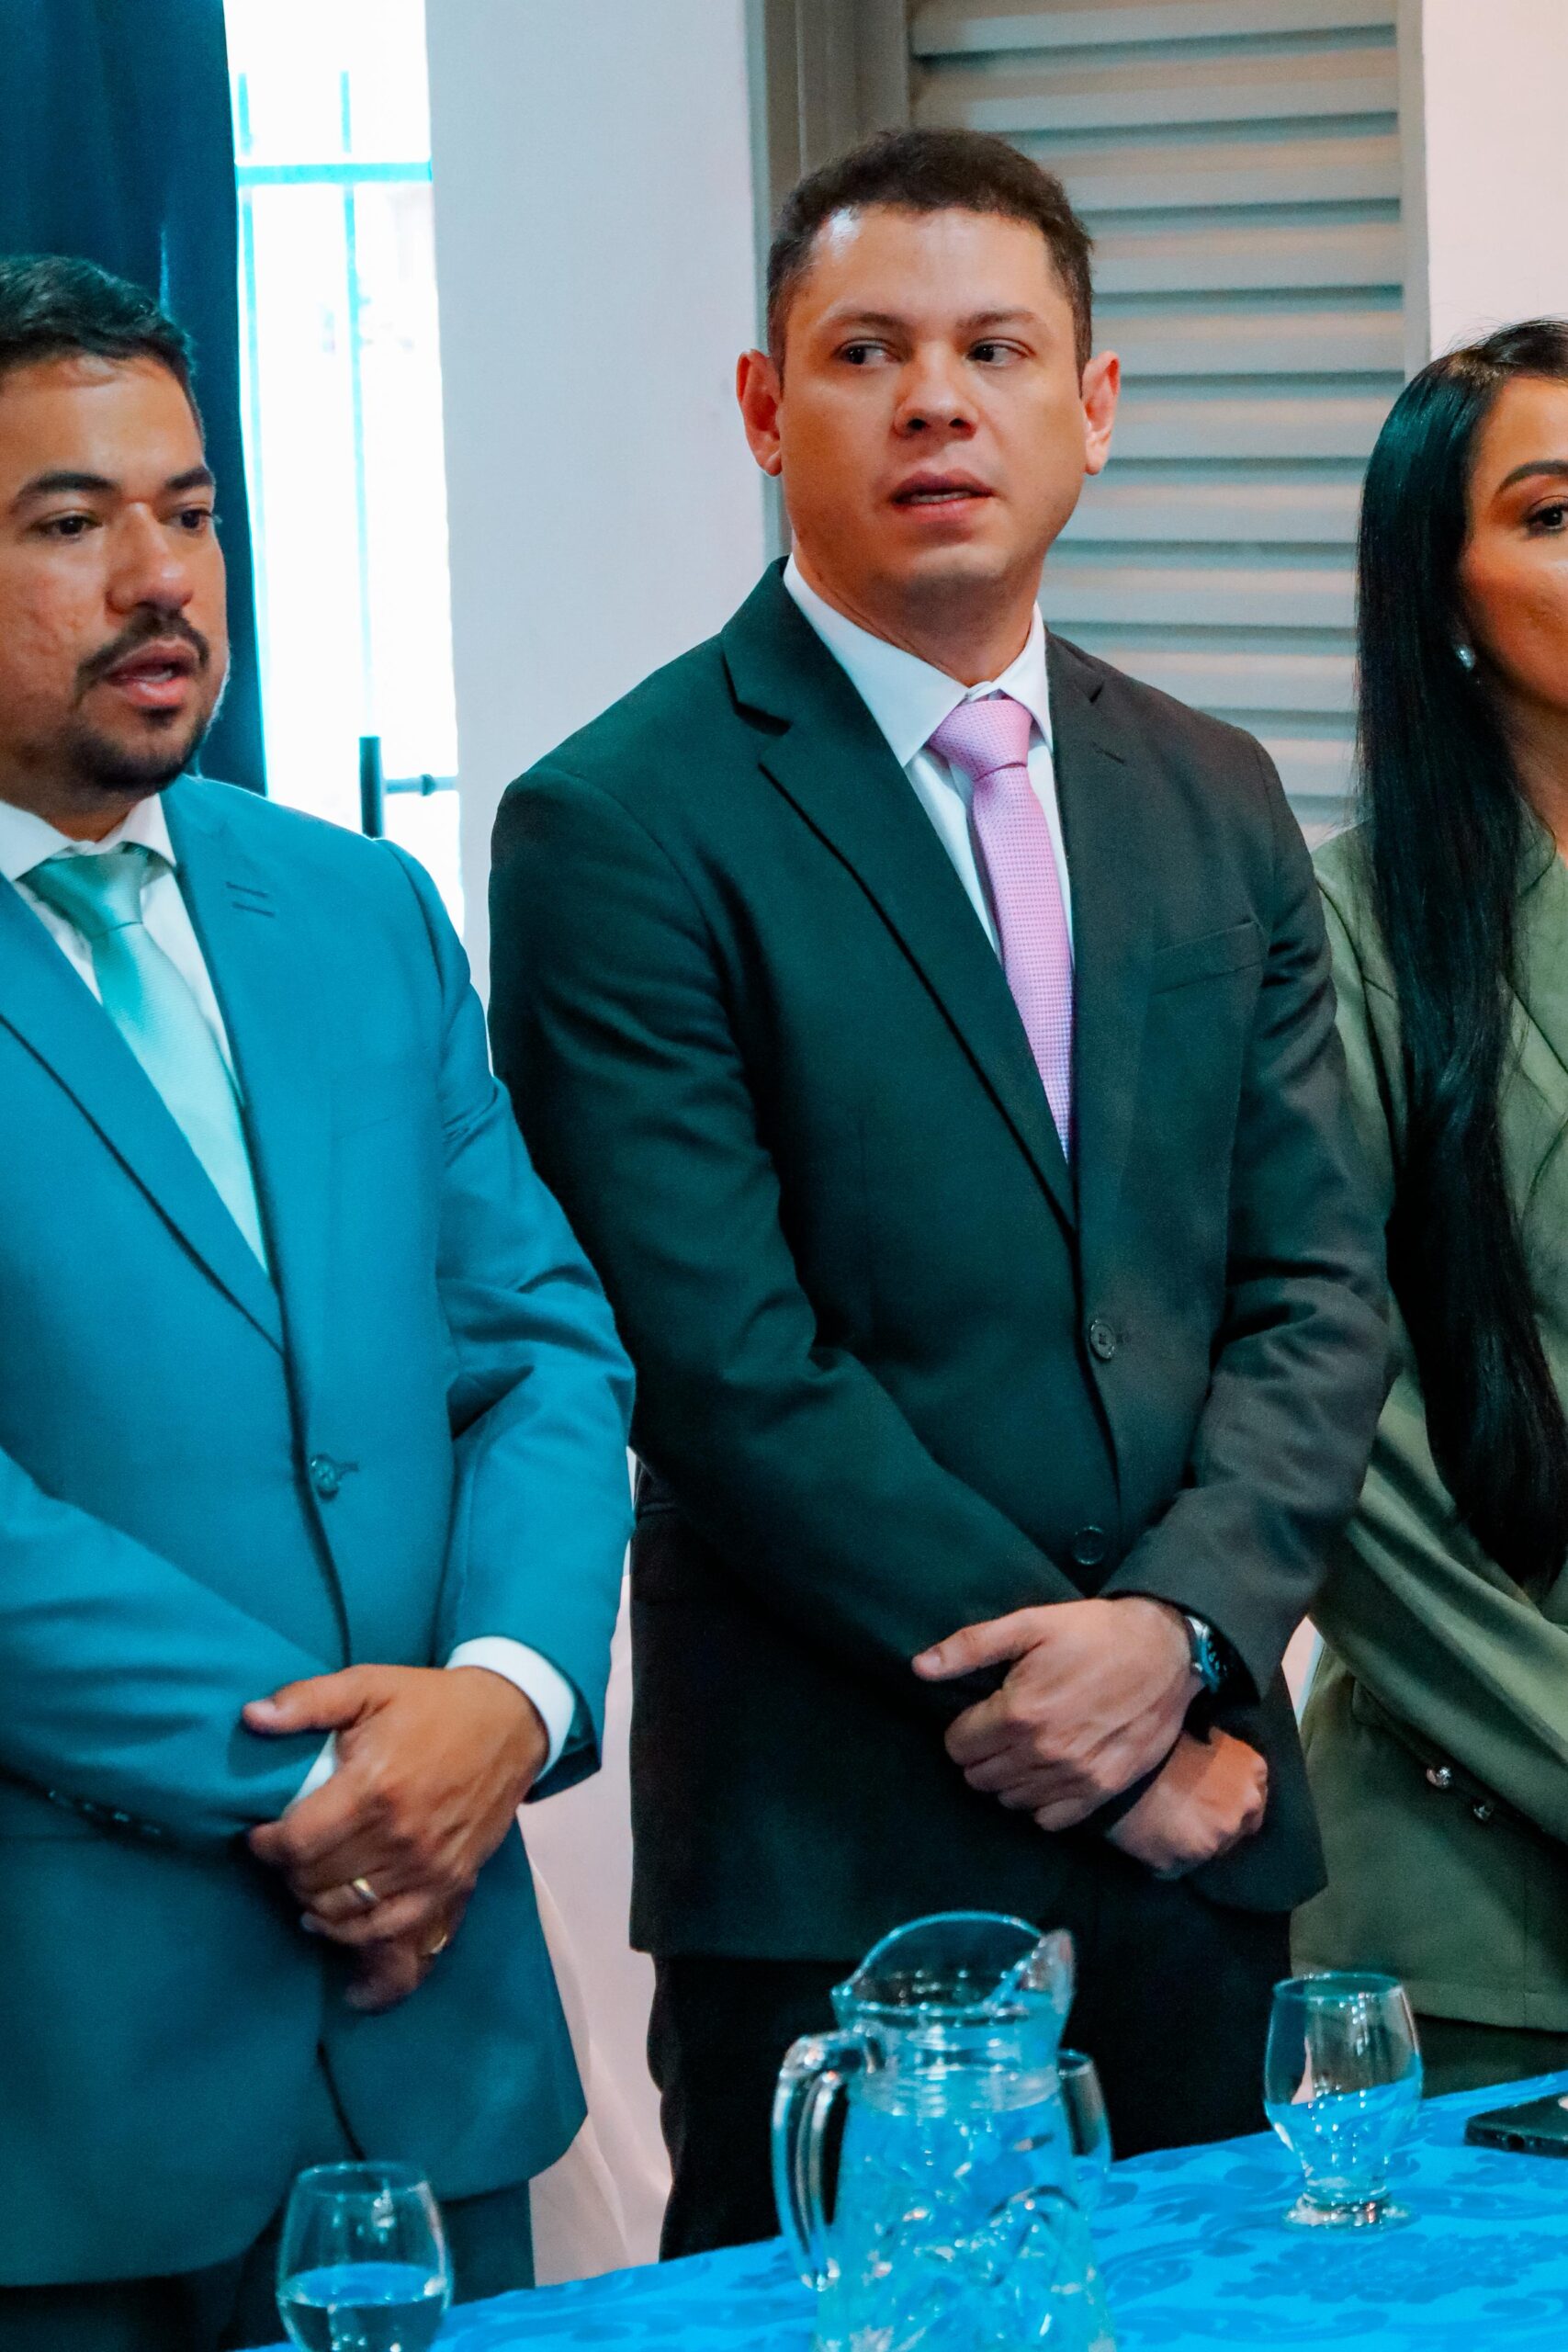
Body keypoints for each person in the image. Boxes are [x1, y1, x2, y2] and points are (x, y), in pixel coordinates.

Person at [489, 128, 1386, 2255]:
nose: (932, 404)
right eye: (864, 351)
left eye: (994, 350)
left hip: (1202, 1845)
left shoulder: (1210, 788)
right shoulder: (618, 819)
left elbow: (1314, 1282)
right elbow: (720, 1359)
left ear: (1092, 403)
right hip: (840, 1851)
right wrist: (1093, 1719)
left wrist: (1180, 1634)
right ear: (761, 405)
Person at [0, 254, 634, 2349]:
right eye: (69, 521)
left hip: (433, 2071)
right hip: (63, 2097)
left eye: (187, 510)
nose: (158, 578)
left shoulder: (358, 908)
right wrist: (330, 1786)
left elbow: (538, 1346)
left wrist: (505, 1701)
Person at [1296, 321, 1568, 2096]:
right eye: (1553, 514)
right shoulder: (1337, 933)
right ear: (1442, 597)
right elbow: (1346, 1460)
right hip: (1474, 1906)